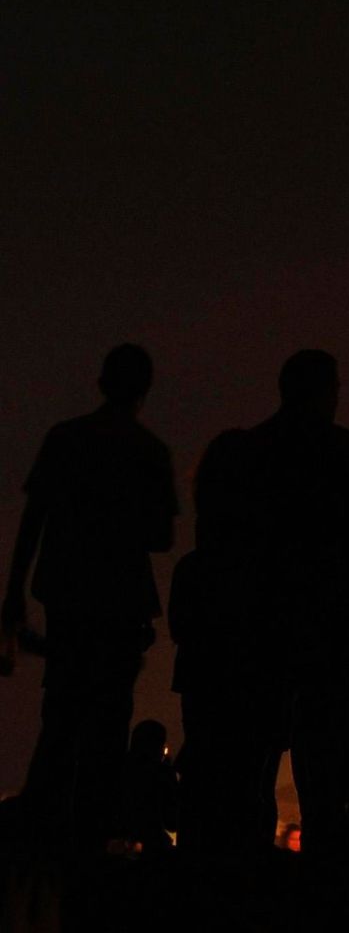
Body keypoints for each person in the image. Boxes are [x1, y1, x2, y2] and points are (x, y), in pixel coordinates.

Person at [3, 344, 177, 853]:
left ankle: (42, 835)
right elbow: (161, 537)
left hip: (68, 595)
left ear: (101, 381)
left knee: (61, 713)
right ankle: (90, 838)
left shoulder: (65, 439)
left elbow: (33, 522)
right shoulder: (148, 451)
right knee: (109, 721)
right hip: (120, 604)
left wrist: (14, 593)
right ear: (144, 390)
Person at [244, 349, 349, 856]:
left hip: (268, 620)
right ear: (320, 391)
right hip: (336, 622)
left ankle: (252, 847)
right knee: (332, 735)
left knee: (265, 738)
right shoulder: (347, 451)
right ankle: (330, 844)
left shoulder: (256, 449)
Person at [171, 428, 281, 852]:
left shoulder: (195, 569)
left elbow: (182, 627)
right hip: (255, 675)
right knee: (254, 780)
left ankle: (202, 873)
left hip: (204, 675)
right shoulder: (267, 567)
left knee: (207, 774)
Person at [120, 719, 178, 854]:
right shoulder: (162, 772)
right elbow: (172, 821)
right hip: (152, 847)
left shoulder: (120, 769)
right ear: (159, 746)